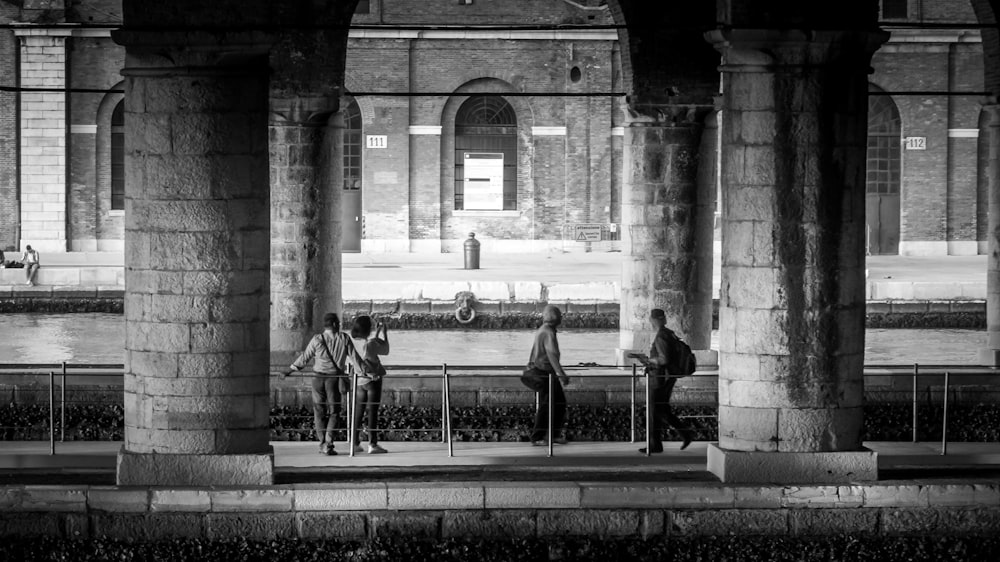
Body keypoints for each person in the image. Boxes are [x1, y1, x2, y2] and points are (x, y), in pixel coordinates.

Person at [287, 312, 364, 456]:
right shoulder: (344, 338)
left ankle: (322, 443)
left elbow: (304, 358)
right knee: (334, 412)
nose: (340, 325)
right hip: (333, 379)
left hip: (317, 379)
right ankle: (328, 442)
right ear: (335, 324)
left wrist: (288, 371)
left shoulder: (317, 339)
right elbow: (356, 359)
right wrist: (366, 373)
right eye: (338, 323)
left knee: (319, 411)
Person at [629, 308, 695, 453]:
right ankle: (682, 434)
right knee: (662, 410)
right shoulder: (669, 334)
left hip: (659, 379)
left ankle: (656, 444)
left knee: (653, 411)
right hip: (666, 378)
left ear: (652, 320)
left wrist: (647, 360)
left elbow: (664, 359)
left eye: (651, 319)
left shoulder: (661, 337)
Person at [527, 304, 571, 446]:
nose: (561, 318)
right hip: (545, 373)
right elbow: (551, 355)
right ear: (555, 317)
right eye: (559, 315)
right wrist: (561, 374)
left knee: (557, 404)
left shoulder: (544, 330)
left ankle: (552, 435)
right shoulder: (548, 332)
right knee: (548, 405)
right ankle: (538, 436)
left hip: (545, 372)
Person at [348, 315, 390, 454]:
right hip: (372, 380)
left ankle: (354, 443)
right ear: (368, 328)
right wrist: (384, 333)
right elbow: (385, 350)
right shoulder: (370, 344)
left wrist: (377, 333)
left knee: (358, 412)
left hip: (359, 380)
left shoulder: (352, 342)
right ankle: (372, 443)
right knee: (372, 412)